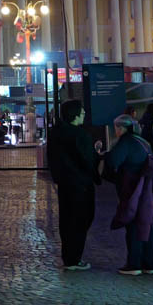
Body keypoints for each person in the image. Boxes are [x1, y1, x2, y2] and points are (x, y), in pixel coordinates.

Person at [106, 114, 153, 276]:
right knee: (146, 223)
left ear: (122, 128)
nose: (115, 130)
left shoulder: (126, 141)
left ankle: (134, 264)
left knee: (133, 223)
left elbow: (113, 161)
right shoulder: (143, 141)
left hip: (133, 189)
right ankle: (149, 264)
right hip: (147, 189)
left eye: (116, 127)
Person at [46, 100, 101, 270]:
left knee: (67, 219)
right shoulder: (80, 135)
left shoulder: (55, 133)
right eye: (82, 112)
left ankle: (68, 256)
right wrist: (96, 154)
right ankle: (74, 258)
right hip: (81, 184)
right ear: (75, 114)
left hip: (64, 183)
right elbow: (87, 159)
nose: (84, 115)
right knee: (81, 219)